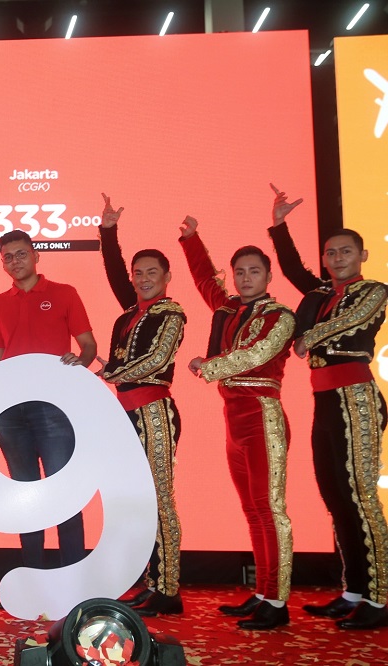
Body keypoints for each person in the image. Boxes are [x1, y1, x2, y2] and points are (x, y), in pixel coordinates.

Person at [267, 184, 388, 630]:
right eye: (330, 253)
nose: (337, 259)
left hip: (356, 395)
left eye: (345, 251)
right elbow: (293, 270)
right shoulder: (320, 293)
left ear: (362, 255)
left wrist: (307, 338)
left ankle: (380, 598)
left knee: (360, 497)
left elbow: (348, 323)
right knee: (336, 496)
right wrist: (279, 226)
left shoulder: (374, 290)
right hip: (324, 397)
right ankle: (354, 589)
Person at [180, 215, 295, 630]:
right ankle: (263, 592)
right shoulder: (229, 309)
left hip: (262, 414)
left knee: (271, 509)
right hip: (234, 416)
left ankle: (277, 602)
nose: (246, 279)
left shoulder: (280, 316)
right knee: (252, 509)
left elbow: (255, 355)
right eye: (240, 272)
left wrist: (206, 366)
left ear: (268, 275)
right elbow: (205, 282)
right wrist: (192, 239)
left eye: (254, 271)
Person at [0, 230, 97, 570]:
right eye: (9, 257)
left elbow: (88, 346)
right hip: (11, 414)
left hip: (55, 409)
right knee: (26, 496)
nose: (15, 261)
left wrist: (83, 360)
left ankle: (74, 576)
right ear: (2, 263)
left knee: (65, 491)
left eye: (21, 254)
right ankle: (32, 575)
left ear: (36, 256)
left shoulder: (64, 294)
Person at [97, 195, 185, 618]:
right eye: (139, 273)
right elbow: (114, 273)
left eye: (153, 272)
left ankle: (169, 589)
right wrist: (108, 234)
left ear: (168, 276)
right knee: (140, 499)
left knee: (161, 497)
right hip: (127, 412)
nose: (144, 278)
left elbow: (156, 360)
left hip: (153, 412)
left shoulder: (172, 314)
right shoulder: (132, 312)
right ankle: (152, 582)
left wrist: (108, 375)